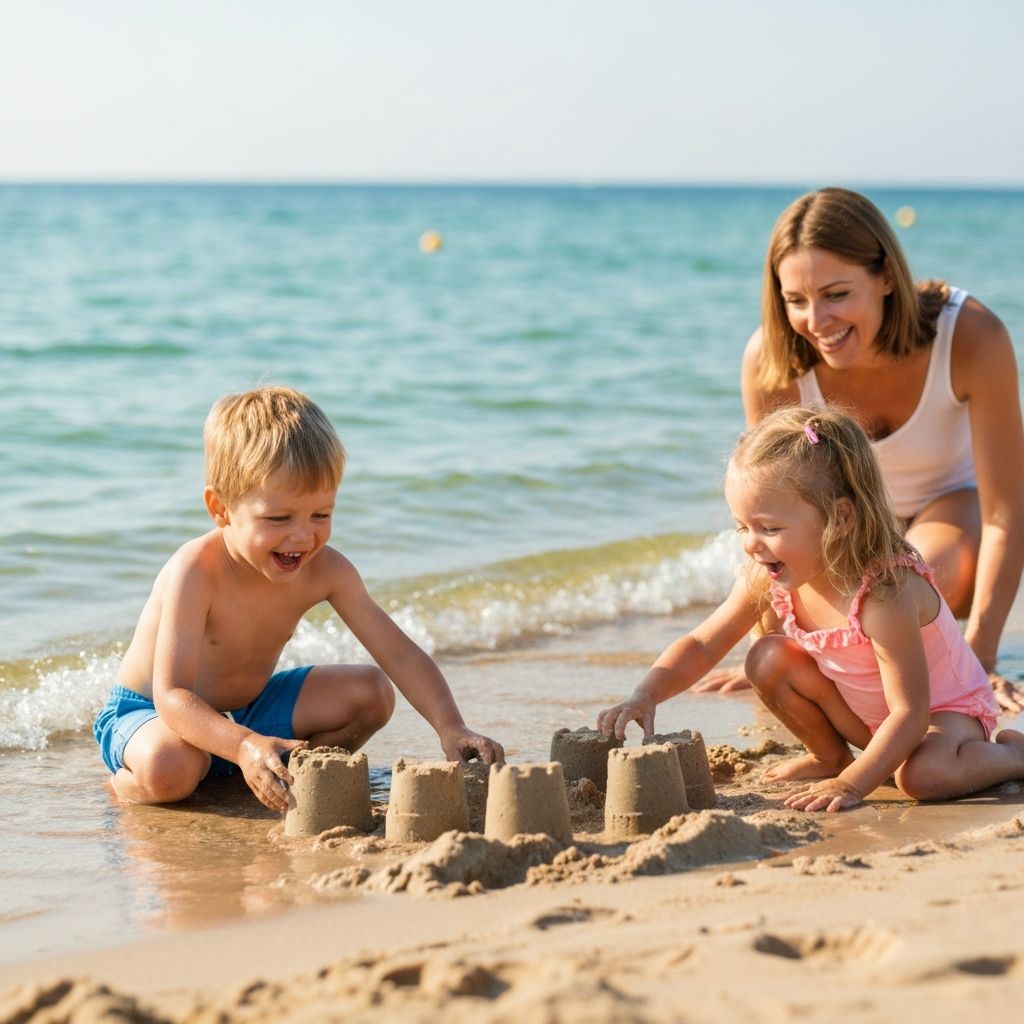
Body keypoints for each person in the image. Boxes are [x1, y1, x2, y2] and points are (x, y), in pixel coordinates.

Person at [93, 385, 504, 811]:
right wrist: (244, 743)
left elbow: (398, 655)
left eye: (321, 515)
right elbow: (173, 696)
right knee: (171, 766)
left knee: (371, 692)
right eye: (279, 518)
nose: (303, 536)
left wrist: (450, 726)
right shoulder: (195, 571)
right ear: (220, 509)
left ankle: (272, 770)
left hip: (248, 711)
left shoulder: (326, 569)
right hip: (155, 717)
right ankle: (127, 784)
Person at [598, 407, 1024, 811]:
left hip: (943, 717)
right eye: (742, 527)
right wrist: (646, 694)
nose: (751, 543)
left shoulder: (884, 595)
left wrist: (854, 785)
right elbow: (704, 644)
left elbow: (910, 714)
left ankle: (1012, 754)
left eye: (769, 528)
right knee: (767, 657)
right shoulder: (765, 575)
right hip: (871, 720)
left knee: (921, 778)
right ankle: (829, 757)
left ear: (839, 519)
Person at [697, 188, 1024, 711]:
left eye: (836, 294)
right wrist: (768, 651)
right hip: (837, 526)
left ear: (887, 277)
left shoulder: (970, 336)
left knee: (911, 592)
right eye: (795, 301)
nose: (817, 321)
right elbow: (769, 508)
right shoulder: (772, 360)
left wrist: (981, 656)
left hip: (947, 510)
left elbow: (1006, 513)